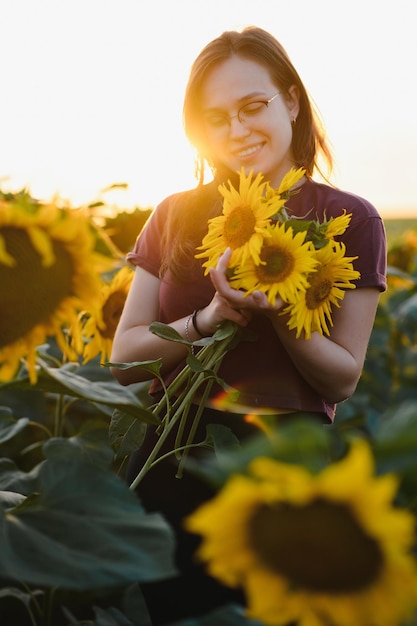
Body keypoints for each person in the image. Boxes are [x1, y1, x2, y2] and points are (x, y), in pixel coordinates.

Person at [110, 26, 387, 625]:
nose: (236, 131)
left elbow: (342, 379)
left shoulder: (350, 219)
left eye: (252, 107)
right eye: (216, 118)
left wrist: (280, 314)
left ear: (290, 101)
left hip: (285, 460)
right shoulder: (176, 214)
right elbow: (124, 358)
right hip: (173, 455)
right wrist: (212, 317)